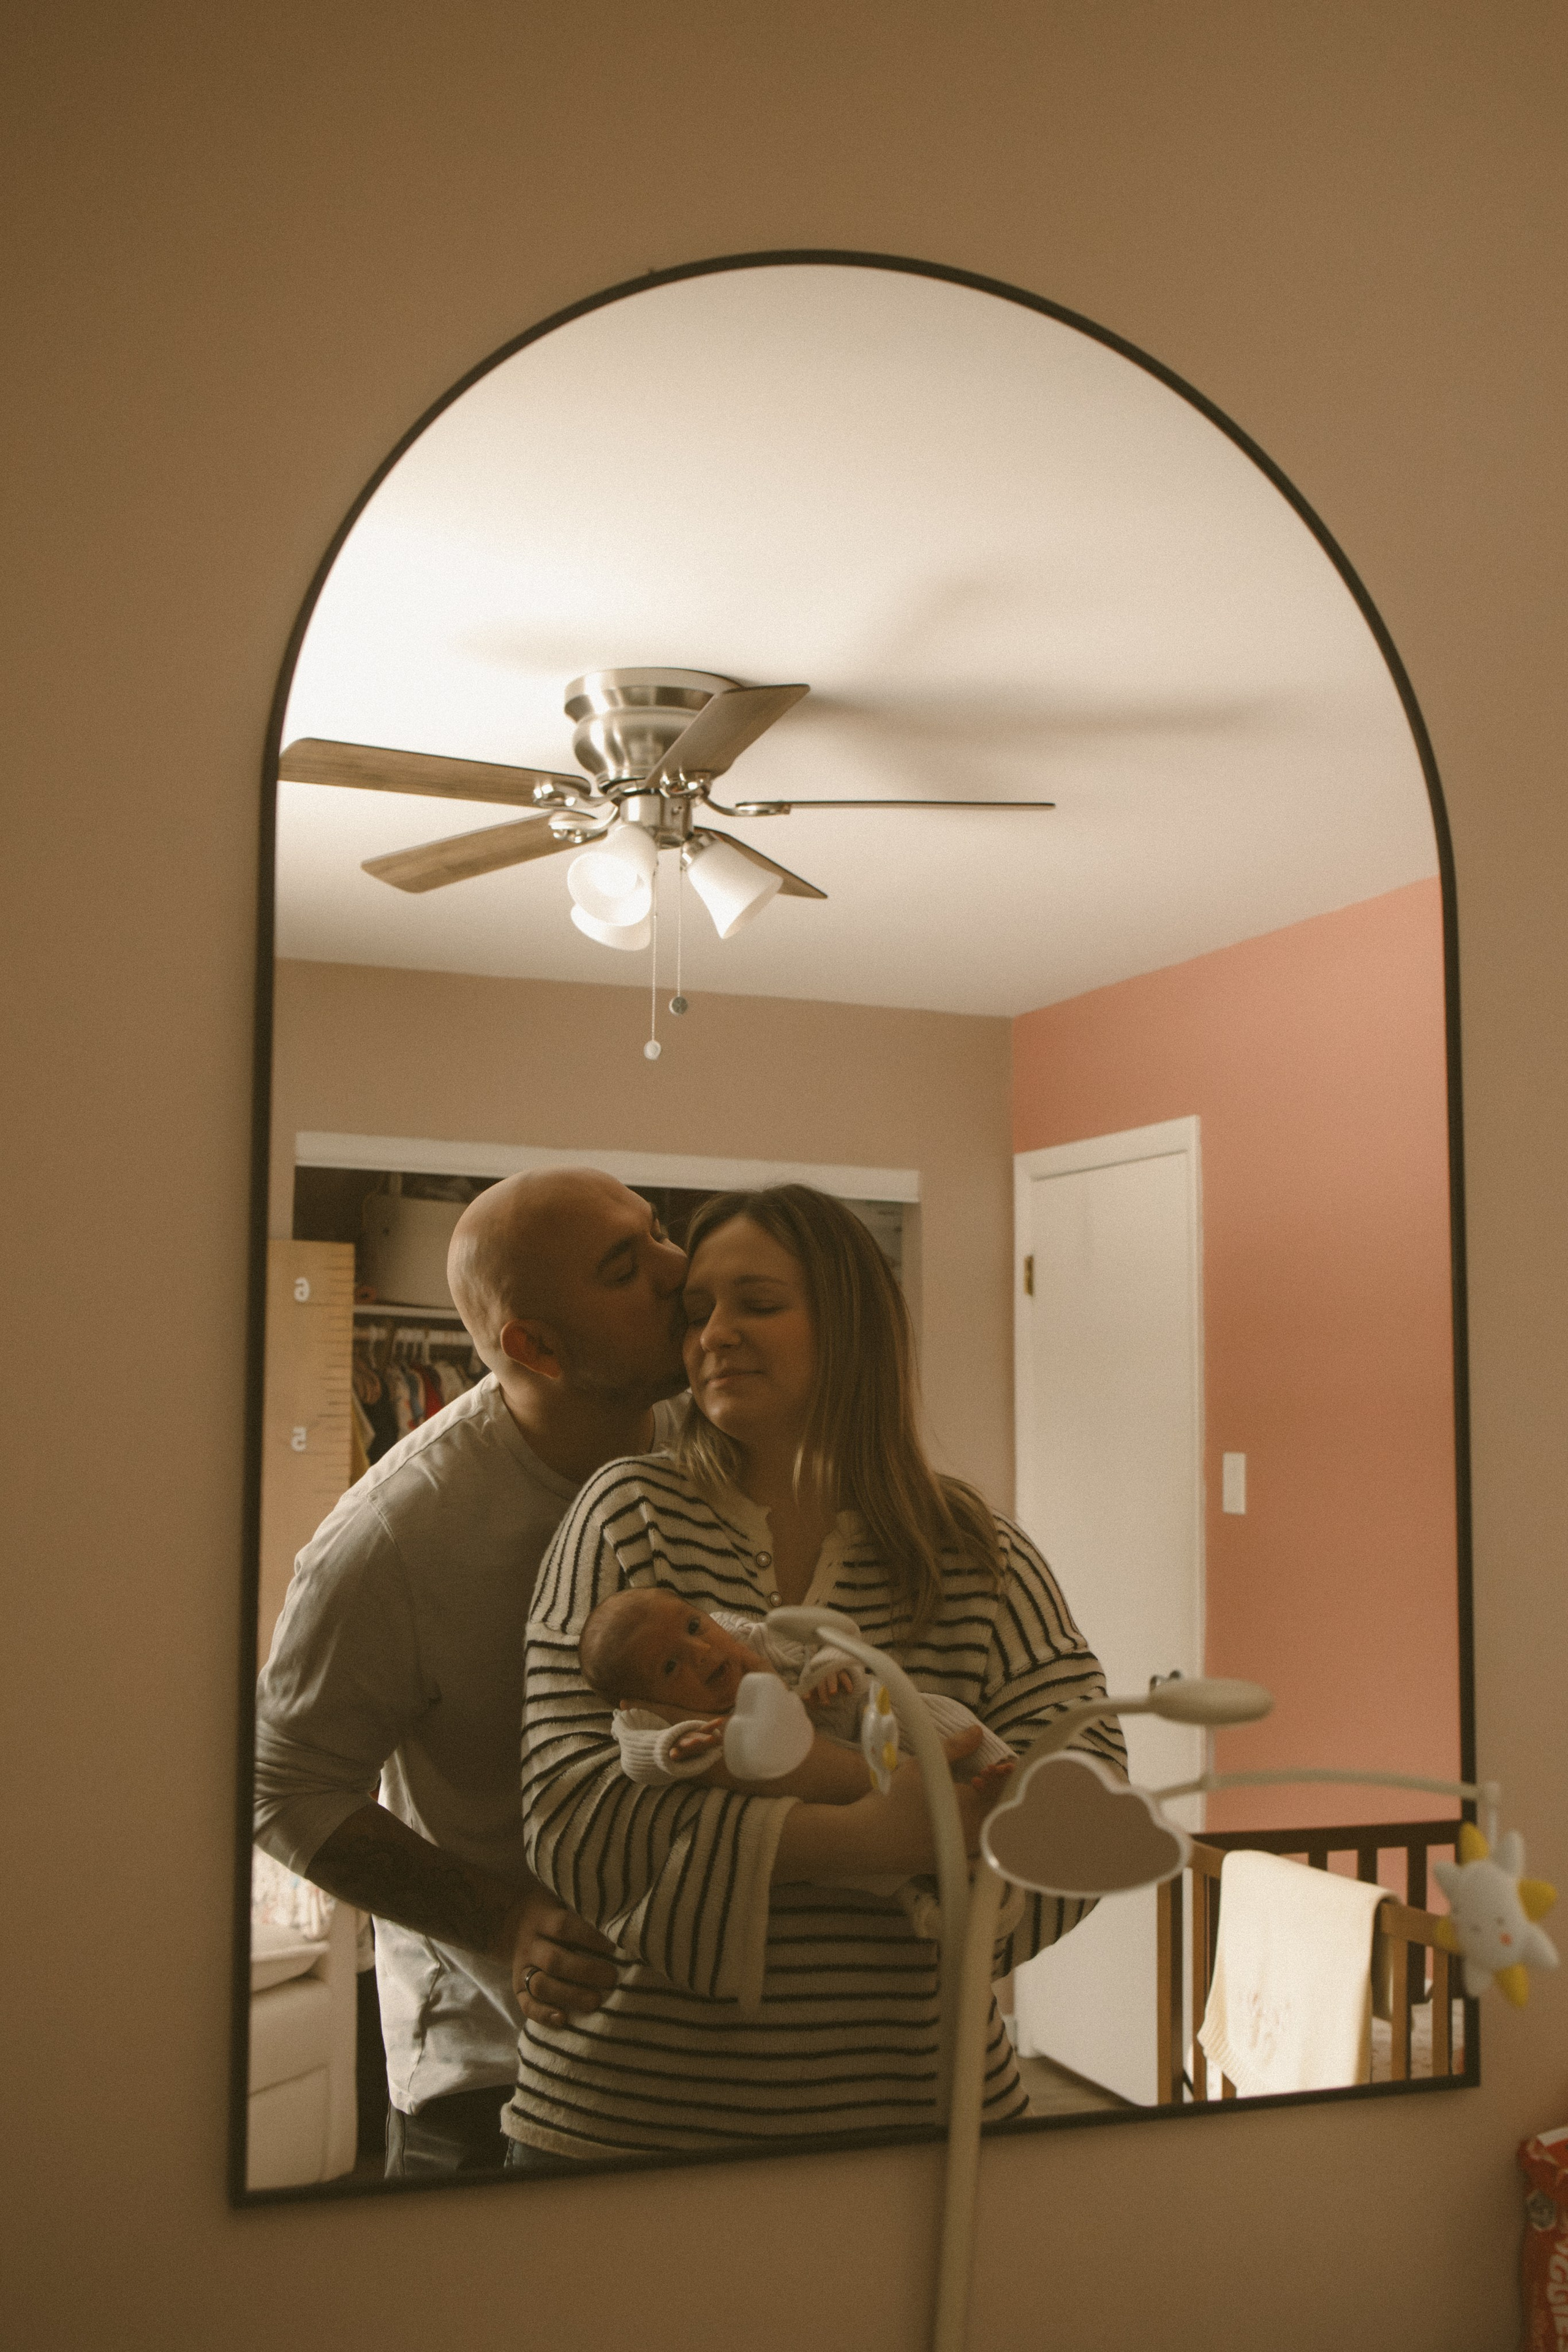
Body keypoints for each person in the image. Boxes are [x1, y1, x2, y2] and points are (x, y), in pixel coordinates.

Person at [508, 1183, 1124, 2165]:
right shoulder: (626, 1515)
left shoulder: (974, 1553)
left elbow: (1087, 1810)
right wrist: (880, 1835)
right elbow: (570, 1818)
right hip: (623, 2126)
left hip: (923, 2125)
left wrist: (962, 1889)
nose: (715, 1333)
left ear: (851, 1327)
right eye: (697, 1311)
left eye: (758, 1303)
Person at [253, 1168, 689, 2177]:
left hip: (691, 2057)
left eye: (659, 1233)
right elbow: (282, 1788)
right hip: (494, 2073)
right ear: (535, 1347)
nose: (678, 1268)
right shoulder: (394, 1537)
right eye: (625, 1268)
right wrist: (504, 1923)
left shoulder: (714, 1445)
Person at [581, 1585, 1018, 1937]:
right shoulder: (651, 1716)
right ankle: (925, 1901)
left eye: (694, 1626)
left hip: (856, 1721)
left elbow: (830, 1641)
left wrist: (832, 1669)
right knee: (853, 1864)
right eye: (670, 1666)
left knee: (928, 1711)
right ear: (641, 1698)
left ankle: (1008, 1773)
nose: (700, 1649)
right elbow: (633, 1749)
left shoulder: (747, 1638)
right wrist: (672, 1742)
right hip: (835, 1806)